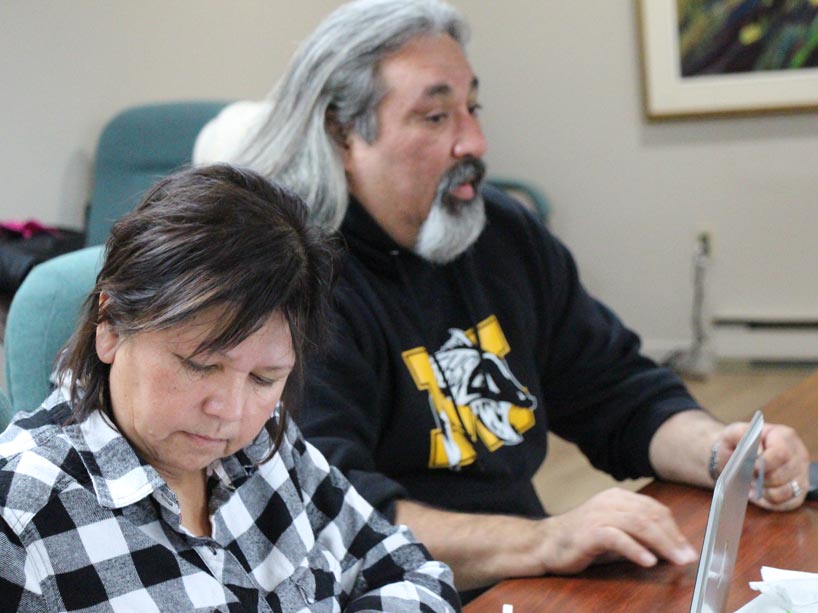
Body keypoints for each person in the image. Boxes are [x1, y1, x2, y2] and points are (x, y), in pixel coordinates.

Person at [194, 0, 811, 597]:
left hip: (520, 580)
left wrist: (720, 453)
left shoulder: (503, 235)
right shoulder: (297, 287)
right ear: (342, 135)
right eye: (436, 117)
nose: (475, 143)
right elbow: (334, 513)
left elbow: (613, 387)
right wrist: (543, 541)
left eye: (473, 107)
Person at [0, 165, 460, 612]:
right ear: (111, 325)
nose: (231, 411)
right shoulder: (21, 519)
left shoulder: (268, 442)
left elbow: (408, 568)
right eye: (200, 365)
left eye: (264, 378)